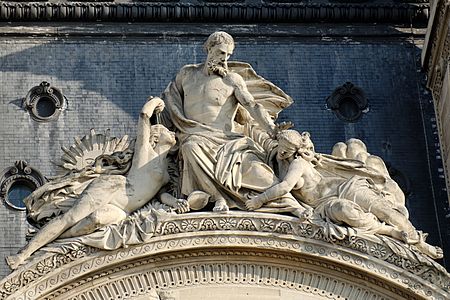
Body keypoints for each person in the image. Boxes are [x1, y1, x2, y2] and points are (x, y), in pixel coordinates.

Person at [6, 97, 183, 269]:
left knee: (95, 220)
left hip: (123, 211)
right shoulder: (145, 154)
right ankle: (24, 254)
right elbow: (144, 116)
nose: (173, 132)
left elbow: (161, 195)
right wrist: (156, 102)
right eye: (167, 131)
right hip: (114, 188)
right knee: (71, 218)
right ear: (156, 137)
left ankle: (52, 243)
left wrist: (176, 202)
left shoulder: (166, 174)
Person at [161, 31, 309, 218]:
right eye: (221, 53)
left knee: (257, 171)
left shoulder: (232, 80)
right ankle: (217, 197)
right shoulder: (186, 74)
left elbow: (252, 105)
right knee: (191, 146)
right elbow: (171, 102)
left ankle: (291, 204)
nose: (225, 58)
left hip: (228, 141)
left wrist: (272, 129)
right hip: (194, 135)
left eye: (228, 54)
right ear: (209, 48)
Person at [245, 129, 443, 259]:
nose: (280, 152)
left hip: (346, 188)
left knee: (388, 213)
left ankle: (419, 244)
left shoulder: (297, 163)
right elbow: (261, 133)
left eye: (284, 149)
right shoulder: (278, 159)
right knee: (345, 211)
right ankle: (388, 231)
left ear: (292, 150)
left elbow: (283, 188)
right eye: (280, 148)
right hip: (325, 205)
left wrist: (258, 200)